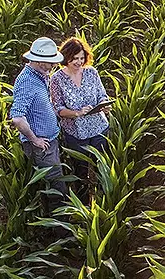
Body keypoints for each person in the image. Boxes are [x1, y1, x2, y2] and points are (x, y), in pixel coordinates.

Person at [10, 37, 68, 212]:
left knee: (51, 186)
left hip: (49, 141)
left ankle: (52, 219)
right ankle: (61, 225)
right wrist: (34, 140)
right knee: (57, 189)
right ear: (39, 61)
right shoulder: (27, 82)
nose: (53, 66)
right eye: (51, 63)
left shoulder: (40, 75)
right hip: (42, 147)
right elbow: (17, 118)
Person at [50, 37, 111, 199]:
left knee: (102, 168)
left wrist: (104, 104)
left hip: (99, 128)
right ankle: (84, 204)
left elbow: (102, 95)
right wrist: (76, 113)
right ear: (66, 57)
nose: (79, 62)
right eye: (74, 58)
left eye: (81, 58)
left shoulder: (91, 72)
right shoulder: (57, 79)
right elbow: (58, 108)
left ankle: (103, 201)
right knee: (81, 172)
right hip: (76, 133)